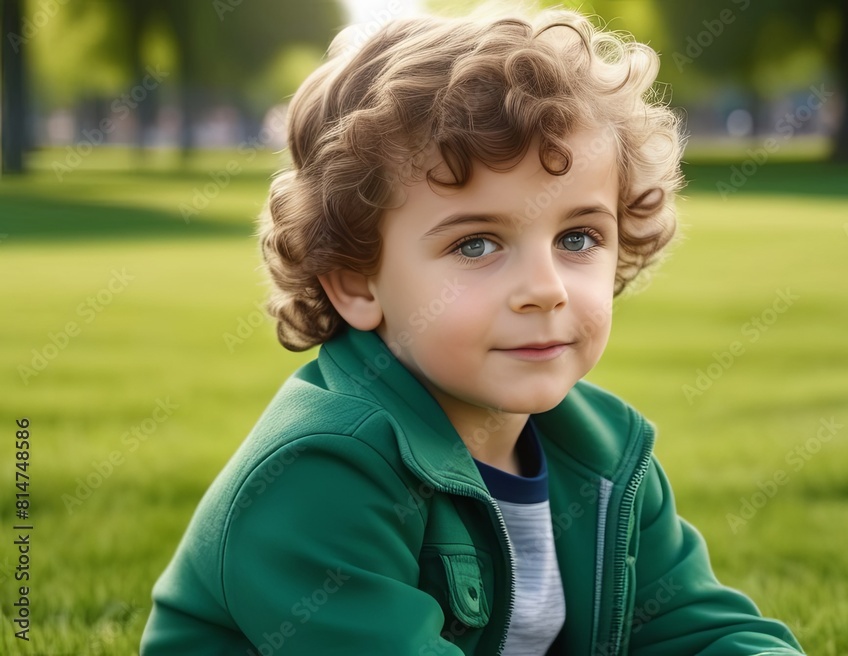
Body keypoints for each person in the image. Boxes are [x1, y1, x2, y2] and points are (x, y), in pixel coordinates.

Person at [141, 7, 804, 655]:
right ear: (356, 281)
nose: (544, 288)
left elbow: (699, 628)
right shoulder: (317, 475)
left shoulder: (605, 458)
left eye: (578, 237)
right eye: (478, 245)